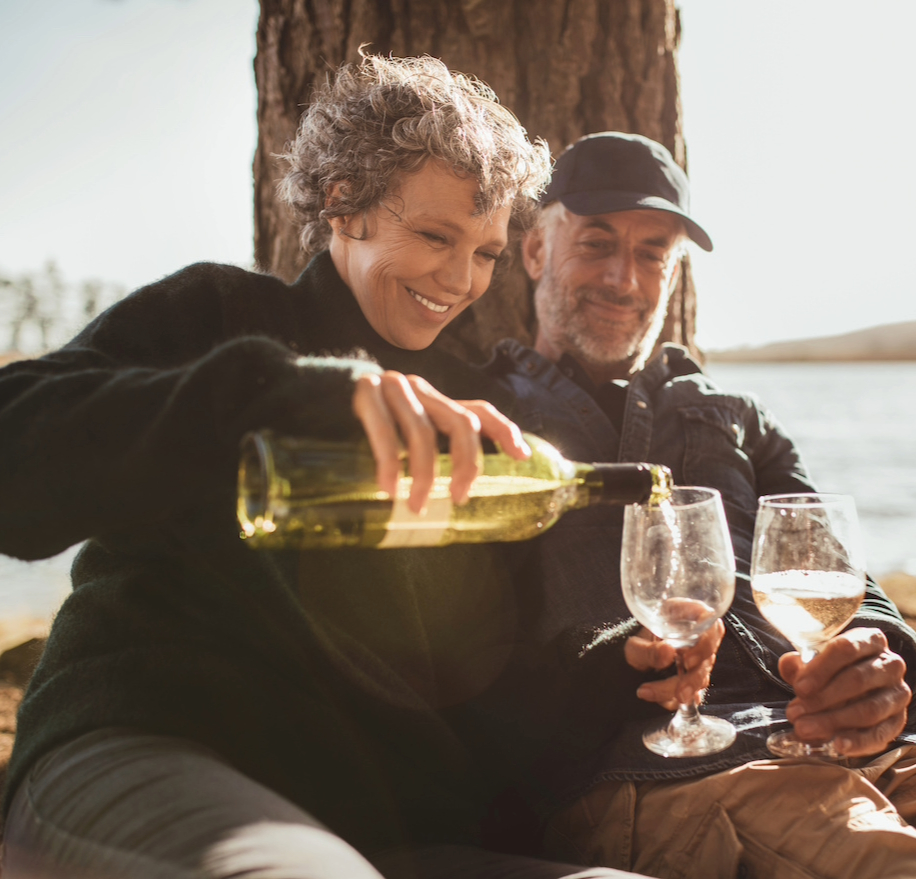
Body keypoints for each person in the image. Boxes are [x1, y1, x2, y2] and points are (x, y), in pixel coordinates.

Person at [482, 131, 916, 879]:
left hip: (874, 755)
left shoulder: (730, 413)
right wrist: (602, 674)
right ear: (534, 249)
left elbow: (848, 585)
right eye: (596, 243)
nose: (624, 277)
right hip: (669, 777)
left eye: (654, 252)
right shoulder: (482, 418)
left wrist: (888, 674)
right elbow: (470, 682)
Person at [0, 56, 646, 879]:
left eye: (484, 252)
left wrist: (609, 676)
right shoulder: (225, 318)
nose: (459, 281)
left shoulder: (480, 413)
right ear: (344, 202)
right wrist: (282, 397)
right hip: (141, 752)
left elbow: (481, 694)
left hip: (387, 836)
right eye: (436, 236)